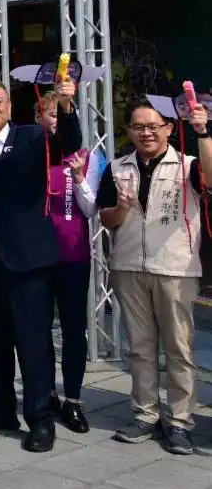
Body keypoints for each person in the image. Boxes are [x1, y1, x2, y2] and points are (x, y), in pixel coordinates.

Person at [0, 75, 79, 454]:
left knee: (33, 341)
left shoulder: (32, 137)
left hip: (26, 257)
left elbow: (69, 144)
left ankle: (40, 418)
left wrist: (67, 106)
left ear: (8, 106)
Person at [97, 98, 212, 455]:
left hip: (175, 267)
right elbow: (106, 219)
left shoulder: (188, 165)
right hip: (129, 267)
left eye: (153, 126)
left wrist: (203, 133)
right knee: (141, 349)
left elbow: (211, 177)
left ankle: (180, 421)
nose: (146, 132)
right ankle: (145, 414)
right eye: (138, 127)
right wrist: (121, 208)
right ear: (129, 131)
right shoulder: (117, 167)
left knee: (178, 348)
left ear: (167, 128)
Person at [33, 91, 97, 434]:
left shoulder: (86, 156)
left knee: (74, 331)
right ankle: (45, 396)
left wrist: (81, 179)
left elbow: (91, 210)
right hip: (37, 258)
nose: (54, 120)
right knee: (38, 331)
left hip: (73, 256)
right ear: (39, 117)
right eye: (49, 114)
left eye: (60, 115)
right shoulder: (31, 154)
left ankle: (73, 399)